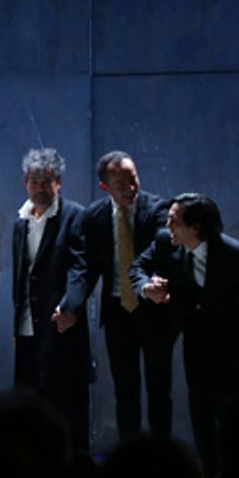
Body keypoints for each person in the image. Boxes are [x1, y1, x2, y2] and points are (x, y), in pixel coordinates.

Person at [130, 193, 239, 477]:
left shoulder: (234, 254)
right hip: (193, 332)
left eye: (174, 220)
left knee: (224, 400)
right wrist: (147, 286)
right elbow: (137, 267)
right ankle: (210, 473)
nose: (167, 224)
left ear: (195, 228)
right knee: (198, 402)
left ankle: (236, 470)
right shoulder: (165, 243)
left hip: (228, 336)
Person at [58, 150, 177, 441]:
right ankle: (131, 459)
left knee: (159, 388)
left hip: (155, 309)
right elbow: (86, 269)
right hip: (117, 312)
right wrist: (70, 306)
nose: (130, 188)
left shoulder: (159, 209)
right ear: (104, 187)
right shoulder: (94, 217)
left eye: (133, 179)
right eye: (120, 184)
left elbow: (167, 253)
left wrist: (154, 283)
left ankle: (162, 456)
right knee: (126, 391)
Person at [9, 147, 92, 455]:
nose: (39, 187)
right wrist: (17, 326)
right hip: (28, 328)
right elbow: (21, 276)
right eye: (33, 181)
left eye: (46, 181)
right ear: (25, 183)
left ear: (59, 182)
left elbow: (79, 268)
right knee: (29, 405)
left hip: (61, 324)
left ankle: (76, 471)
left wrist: (70, 306)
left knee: (67, 404)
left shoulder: (74, 216)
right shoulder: (21, 221)